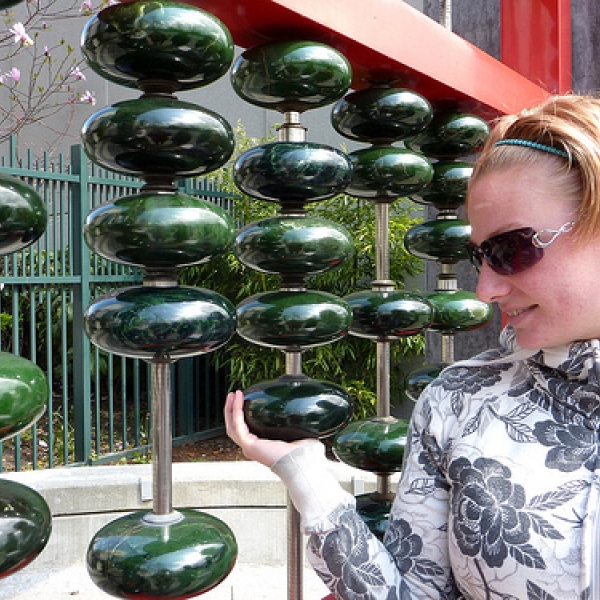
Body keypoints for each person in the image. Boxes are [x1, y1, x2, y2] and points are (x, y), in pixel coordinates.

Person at [224, 93, 600, 599]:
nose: (485, 291)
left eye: (511, 250)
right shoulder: (459, 401)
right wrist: (306, 474)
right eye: (480, 257)